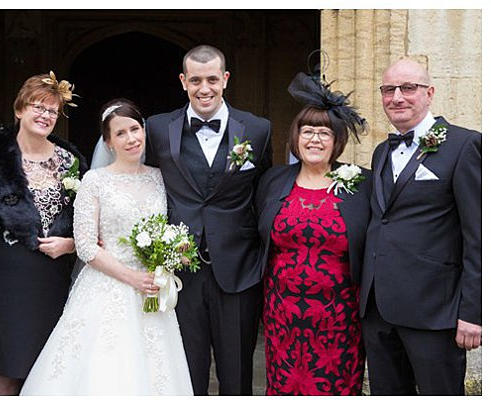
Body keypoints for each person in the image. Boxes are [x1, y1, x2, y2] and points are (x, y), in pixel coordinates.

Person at [20, 98, 193, 395]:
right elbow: (87, 246)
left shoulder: (160, 178)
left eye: (135, 129)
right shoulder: (95, 181)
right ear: (109, 142)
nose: (131, 138)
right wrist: (132, 277)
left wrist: (175, 251)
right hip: (107, 288)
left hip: (152, 291)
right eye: (121, 133)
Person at [145, 45, 273, 395]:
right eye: (196, 80)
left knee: (237, 372)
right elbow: (142, 185)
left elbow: (264, 192)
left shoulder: (258, 130)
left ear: (225, 79)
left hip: (239, 270)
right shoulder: (157, 128)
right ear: (183, 81)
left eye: (213, 79)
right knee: (185, 370)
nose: (205, 88)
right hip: (179, 272)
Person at [360, 59, 482, 395]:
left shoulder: (463, 145)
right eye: (388, 90)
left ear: (429, 93)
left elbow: (479, 236)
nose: (396, 97)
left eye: (408, 88)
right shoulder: (382, 152)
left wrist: (474, 312)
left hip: (433, 311)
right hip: (378, 309)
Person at [255, 72, 370, 395]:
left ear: (337, 140)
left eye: (324, 133)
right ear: (296, 137)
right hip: (282, 315)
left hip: (339, 318)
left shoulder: (362, 184)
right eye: (308, 131)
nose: (315, 139)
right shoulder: (274, 181)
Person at [0, 72, 88, 395]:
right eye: (38, 106)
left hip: (53, 278)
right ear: (20, 109)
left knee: (48, 368)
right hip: (7, 276)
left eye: (52, 111)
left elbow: (89, 220)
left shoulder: (70, 160)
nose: (45, 115)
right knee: (8, 367)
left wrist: (70, 245)